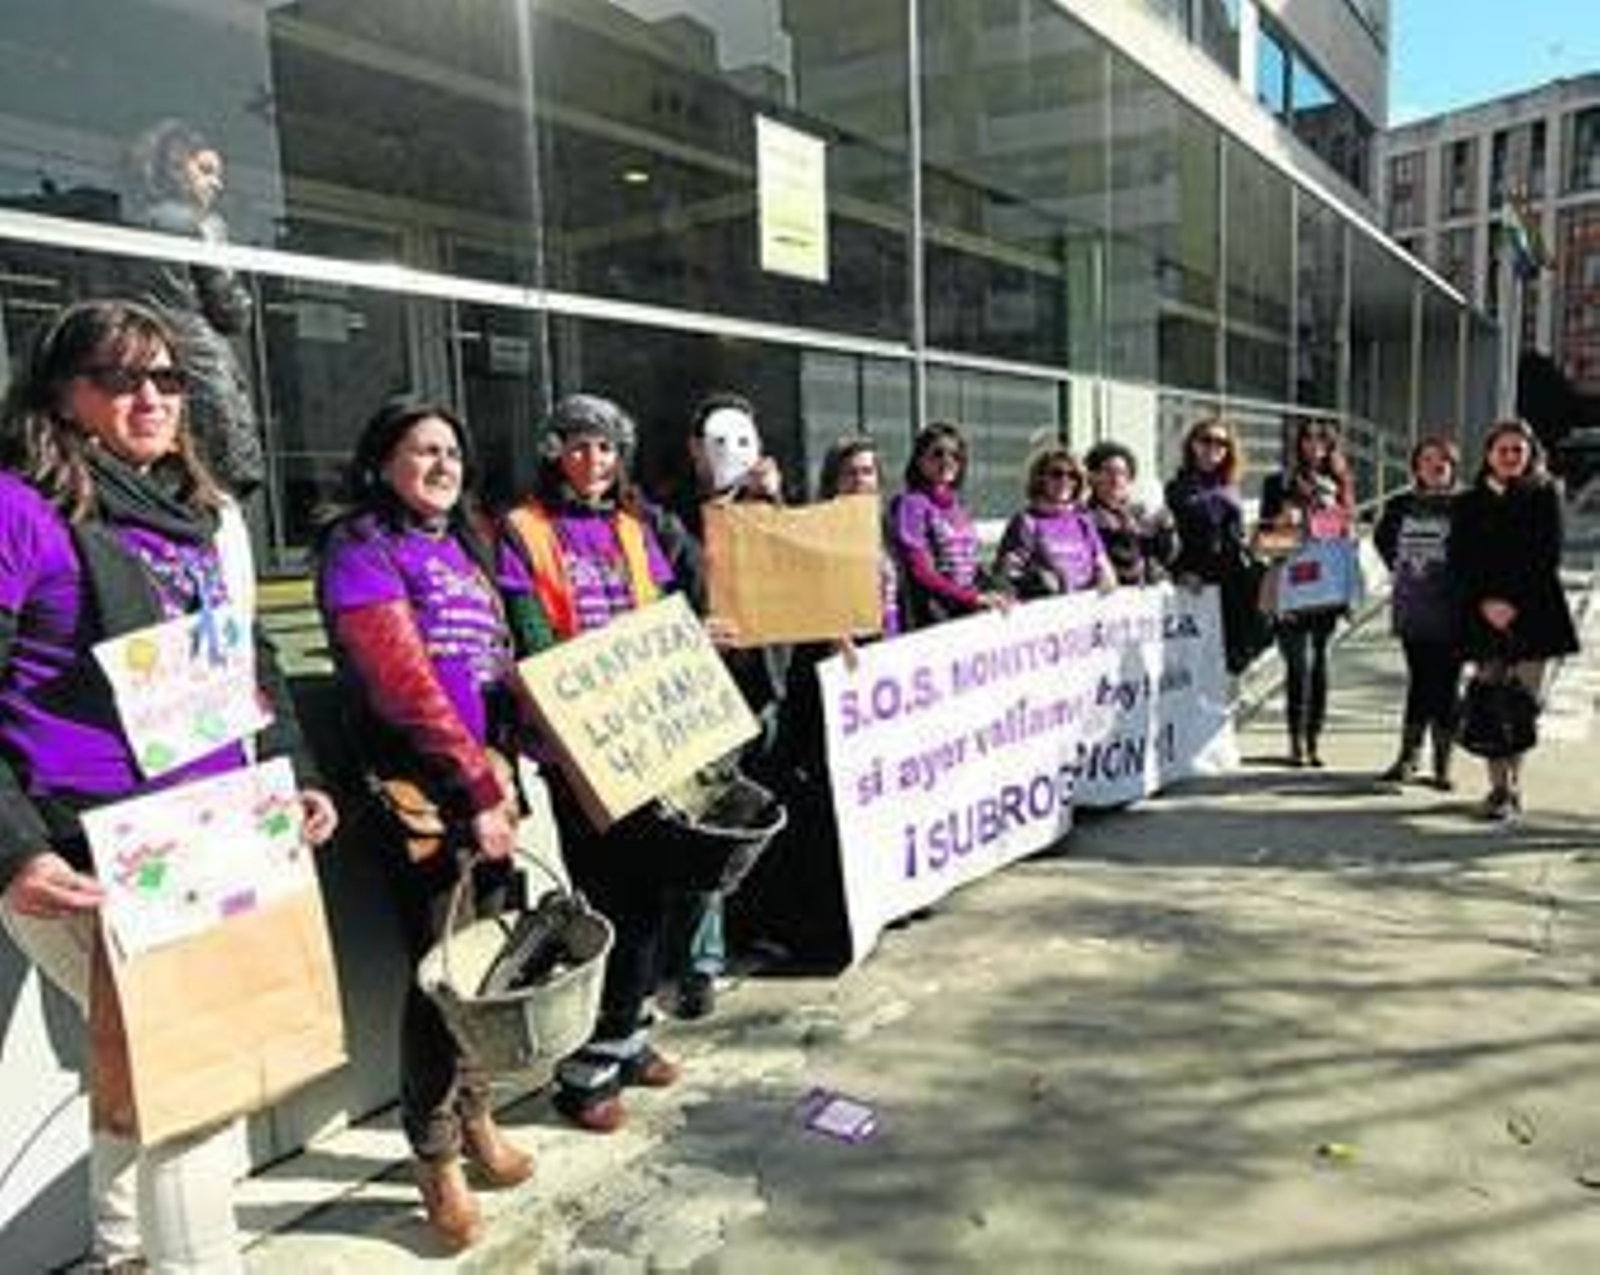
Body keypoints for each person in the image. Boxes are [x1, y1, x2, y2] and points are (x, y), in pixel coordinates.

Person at [0, 299, 337, 1274]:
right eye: (119, 377)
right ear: (61, 393)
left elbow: (243, 665)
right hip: (96, 852)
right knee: (195, 1100)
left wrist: (296, 773)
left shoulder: (185, 513)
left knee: (148, 1071)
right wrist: (14, 850)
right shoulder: (20, 509)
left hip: (214, 832)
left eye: (167, 378)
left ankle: (123, 1258)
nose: (149, 396)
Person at [314, 398, 532, 1250]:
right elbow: (401, 685)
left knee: (483, 967)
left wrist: (520, 752)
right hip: (422, 798)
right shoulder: (361, 547)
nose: (442, 464)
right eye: (421, 450)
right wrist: (475, 786)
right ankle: (435, 1154)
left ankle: (477, 1120)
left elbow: (494, 666)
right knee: (440, 980)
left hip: (488, 792)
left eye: (452, 449)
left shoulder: (462, 547)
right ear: (381, 461)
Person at [500, 393, 684, 1133]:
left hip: (647, 739)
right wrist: (582, 697)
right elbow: (530, 630)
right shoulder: (523, 529)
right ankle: (584, 1072)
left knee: (653, 890)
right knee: (609, 896)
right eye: (578, 445)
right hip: (578, 746)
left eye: (606, 448)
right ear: (554, 451)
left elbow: (666, 614)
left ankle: (629, 1034)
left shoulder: (637, 530)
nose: (593, 461)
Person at [654, 391, 789, 1021]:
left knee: (753, 823)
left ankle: (745, 931)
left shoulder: (767, 510)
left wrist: (776, 507)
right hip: (702, 697)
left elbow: (804, 582)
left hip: (762, 689)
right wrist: (690, 629)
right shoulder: (668, 517)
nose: (732, 454)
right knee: (709, 831)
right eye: (717, 440)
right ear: (693, 448)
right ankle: (698, 964)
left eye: (744, 439)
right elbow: (654, 598)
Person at [123, 119, 265, 496]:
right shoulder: (198, 226)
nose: (215, 184)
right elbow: (232, 312)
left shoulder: (131, 225)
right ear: (173, 168)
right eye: (205, 170)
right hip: (203, 372)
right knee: (215, 494)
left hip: (151, 370)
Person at [1449, 418, 1579, 820]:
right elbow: (1460, 559)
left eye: (1517, 451)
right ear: (1489, 454)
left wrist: (1513, 604)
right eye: (1502, 450)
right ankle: (1497, 788)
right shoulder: (1468, 502)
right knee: (1488, 700)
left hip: (1534, 613)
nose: (1509, 457)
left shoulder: (1544, 495)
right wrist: (1486, 602)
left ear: (1529, 455)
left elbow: (1546, 556)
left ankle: (1514, 786)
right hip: (1482, 612)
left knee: (1521, 705)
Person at [1258, 420, 1357, 768]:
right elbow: (1266, 543)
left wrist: (1348, 592)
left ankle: (1314, 741)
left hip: (1327, 589)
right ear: (1297, 444)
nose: (1314, 445)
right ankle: (1295, 742)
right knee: (1300, 664)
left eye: (1322, 440)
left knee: (1321, 666)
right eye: (1308, 439)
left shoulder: (1340, 486)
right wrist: (1289, 524)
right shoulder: (1278, 484)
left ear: (1331, 447)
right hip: (1291, 586)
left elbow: (1344, 543)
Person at [1373, 434, 1463, 788]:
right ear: (1416, 466)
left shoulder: (1466, 504)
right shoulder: (1400, 505)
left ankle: (1443, 764)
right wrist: (1407, 572)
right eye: (1428, 459)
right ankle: (1408, 757)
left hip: (1454, 608)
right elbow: (1383, 542)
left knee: (1447, 683)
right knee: (1420, 681)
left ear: (1452, 466)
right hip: (1414, 605)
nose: (1436, 465)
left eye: (1443, 460)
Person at [1164, 417, 1267, 675]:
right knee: (1200, 661)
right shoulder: (1176, 488)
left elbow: (1238, 535)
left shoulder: (1230, 487)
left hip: (1234, 582)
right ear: (1193, 445)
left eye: (1222, 443)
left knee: (1235, 657)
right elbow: (1166, 541)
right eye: (1206, 440)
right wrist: (1179, 572)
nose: (1214, 447)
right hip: (1197, 583)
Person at [890, 421, 1006, 627]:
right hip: (936, 617)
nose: (947, 461)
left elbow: (968, 566)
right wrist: (973, 599)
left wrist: (993, 591)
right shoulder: (911, 504)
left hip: (965, 610)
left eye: (955, 455)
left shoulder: (958, 507)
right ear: (919, 460)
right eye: (938, 453)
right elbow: (920, 572)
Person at [994, 444, 1116, 598]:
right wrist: (1037, 582)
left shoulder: (1083, 521)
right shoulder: (1027, 521)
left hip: (1085, 612)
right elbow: (1006, 576)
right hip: (1047, 614)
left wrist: (1105, 579)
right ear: (1040, 478)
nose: (1065, 480)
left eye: (1072, 475)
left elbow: (1105, 568)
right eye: (1057, 474)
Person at [1083, 440, 1178, 586]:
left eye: (1122, 473)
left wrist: (1166, 529)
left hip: (1140, 600)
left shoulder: (1141, 515)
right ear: (1093, 476)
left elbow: (1166, 556)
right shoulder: (1084, 517)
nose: (1116, 479)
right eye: (1108, 471)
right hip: (1103, 600)